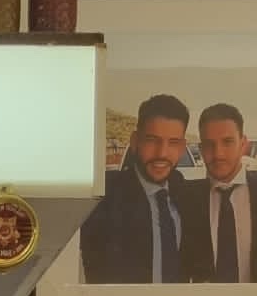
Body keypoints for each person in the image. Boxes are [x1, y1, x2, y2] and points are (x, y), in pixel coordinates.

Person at [79, 94, 192, 285]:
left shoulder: (186, 196)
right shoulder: (103, 198)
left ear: (182, 148)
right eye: (152, 140)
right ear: (135, 141)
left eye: (173, 142)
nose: (162, 153)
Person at [181, 101, 257, 284]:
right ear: (201, 150)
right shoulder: (187, 198)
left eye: (227, 142)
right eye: (209, 144)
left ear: (243, 145)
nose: (218, 153)